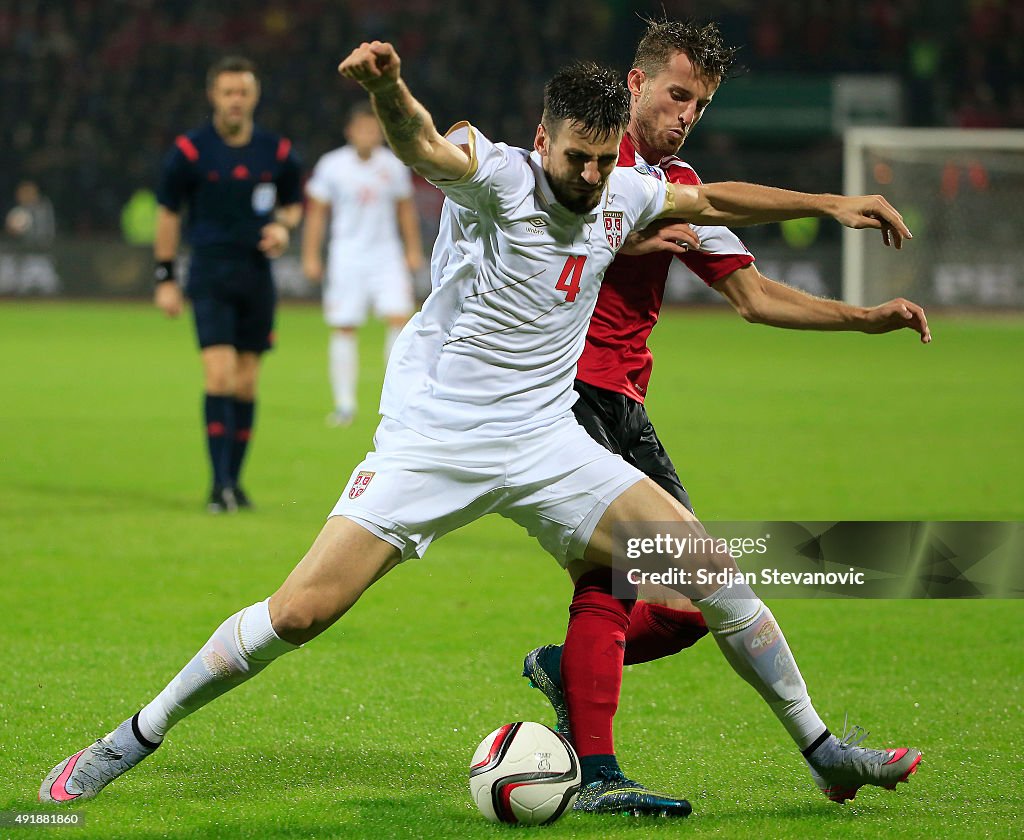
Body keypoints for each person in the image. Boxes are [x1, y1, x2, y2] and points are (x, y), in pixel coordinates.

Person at [40, 43, 919, 819]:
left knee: (708, 571)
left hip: (547, 438)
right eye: (575, 158)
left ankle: (821, 751)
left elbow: (712, 197)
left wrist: (831, 203)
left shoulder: (622, 190)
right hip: (435, 441)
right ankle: (133, 737)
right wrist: (388, 89)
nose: (588, 179)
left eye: (603, 162)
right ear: (544, 141)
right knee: (302, 611)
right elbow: (423, 141)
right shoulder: (499, 173)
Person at [520, 18, 930, 808]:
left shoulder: (682, 185)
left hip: (627, 405)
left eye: (701, 104)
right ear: (636, 84)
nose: (686, 115)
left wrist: (864, 317)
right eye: (678, 95)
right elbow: (532, 238)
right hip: (564, 394)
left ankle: (566, 668)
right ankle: (611, 774)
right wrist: (622, 243)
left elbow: (754, 296)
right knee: (613, 576)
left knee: (682, 610)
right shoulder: (578, 158)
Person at [153, 56, 303, 513]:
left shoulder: (276, 152)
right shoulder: (190, 151)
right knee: (218, 374)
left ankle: (235, 483)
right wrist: (165, 276)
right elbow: (167, 213)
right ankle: (218, 485)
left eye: (243, 92)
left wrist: (282, 227)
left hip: (256, 275)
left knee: (246, 384)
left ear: (254, 96)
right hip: (210, 271)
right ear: (213, 97)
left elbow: (293, 203)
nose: (236, 100)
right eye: (227, 92)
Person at [302, 104, 424, 427]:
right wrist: (311, 255)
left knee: (399, 321)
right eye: (362, 129)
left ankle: (396, 401)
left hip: (386, 255)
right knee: (344, 325)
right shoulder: (332, 165)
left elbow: (405, 210)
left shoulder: (393, 165)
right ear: (350, 132)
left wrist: (413, 250)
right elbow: (316, 214)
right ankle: (344, 405)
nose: (368, 135)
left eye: (373, 130)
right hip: (348, 255)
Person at [4, 180, 56, 246]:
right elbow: (12, 232)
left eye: (27, 192)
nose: (24, 196)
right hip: (24, 248)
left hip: (45, 247)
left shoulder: (44, 207)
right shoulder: (18, 210)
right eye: (21, 193)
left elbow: (43, 235)